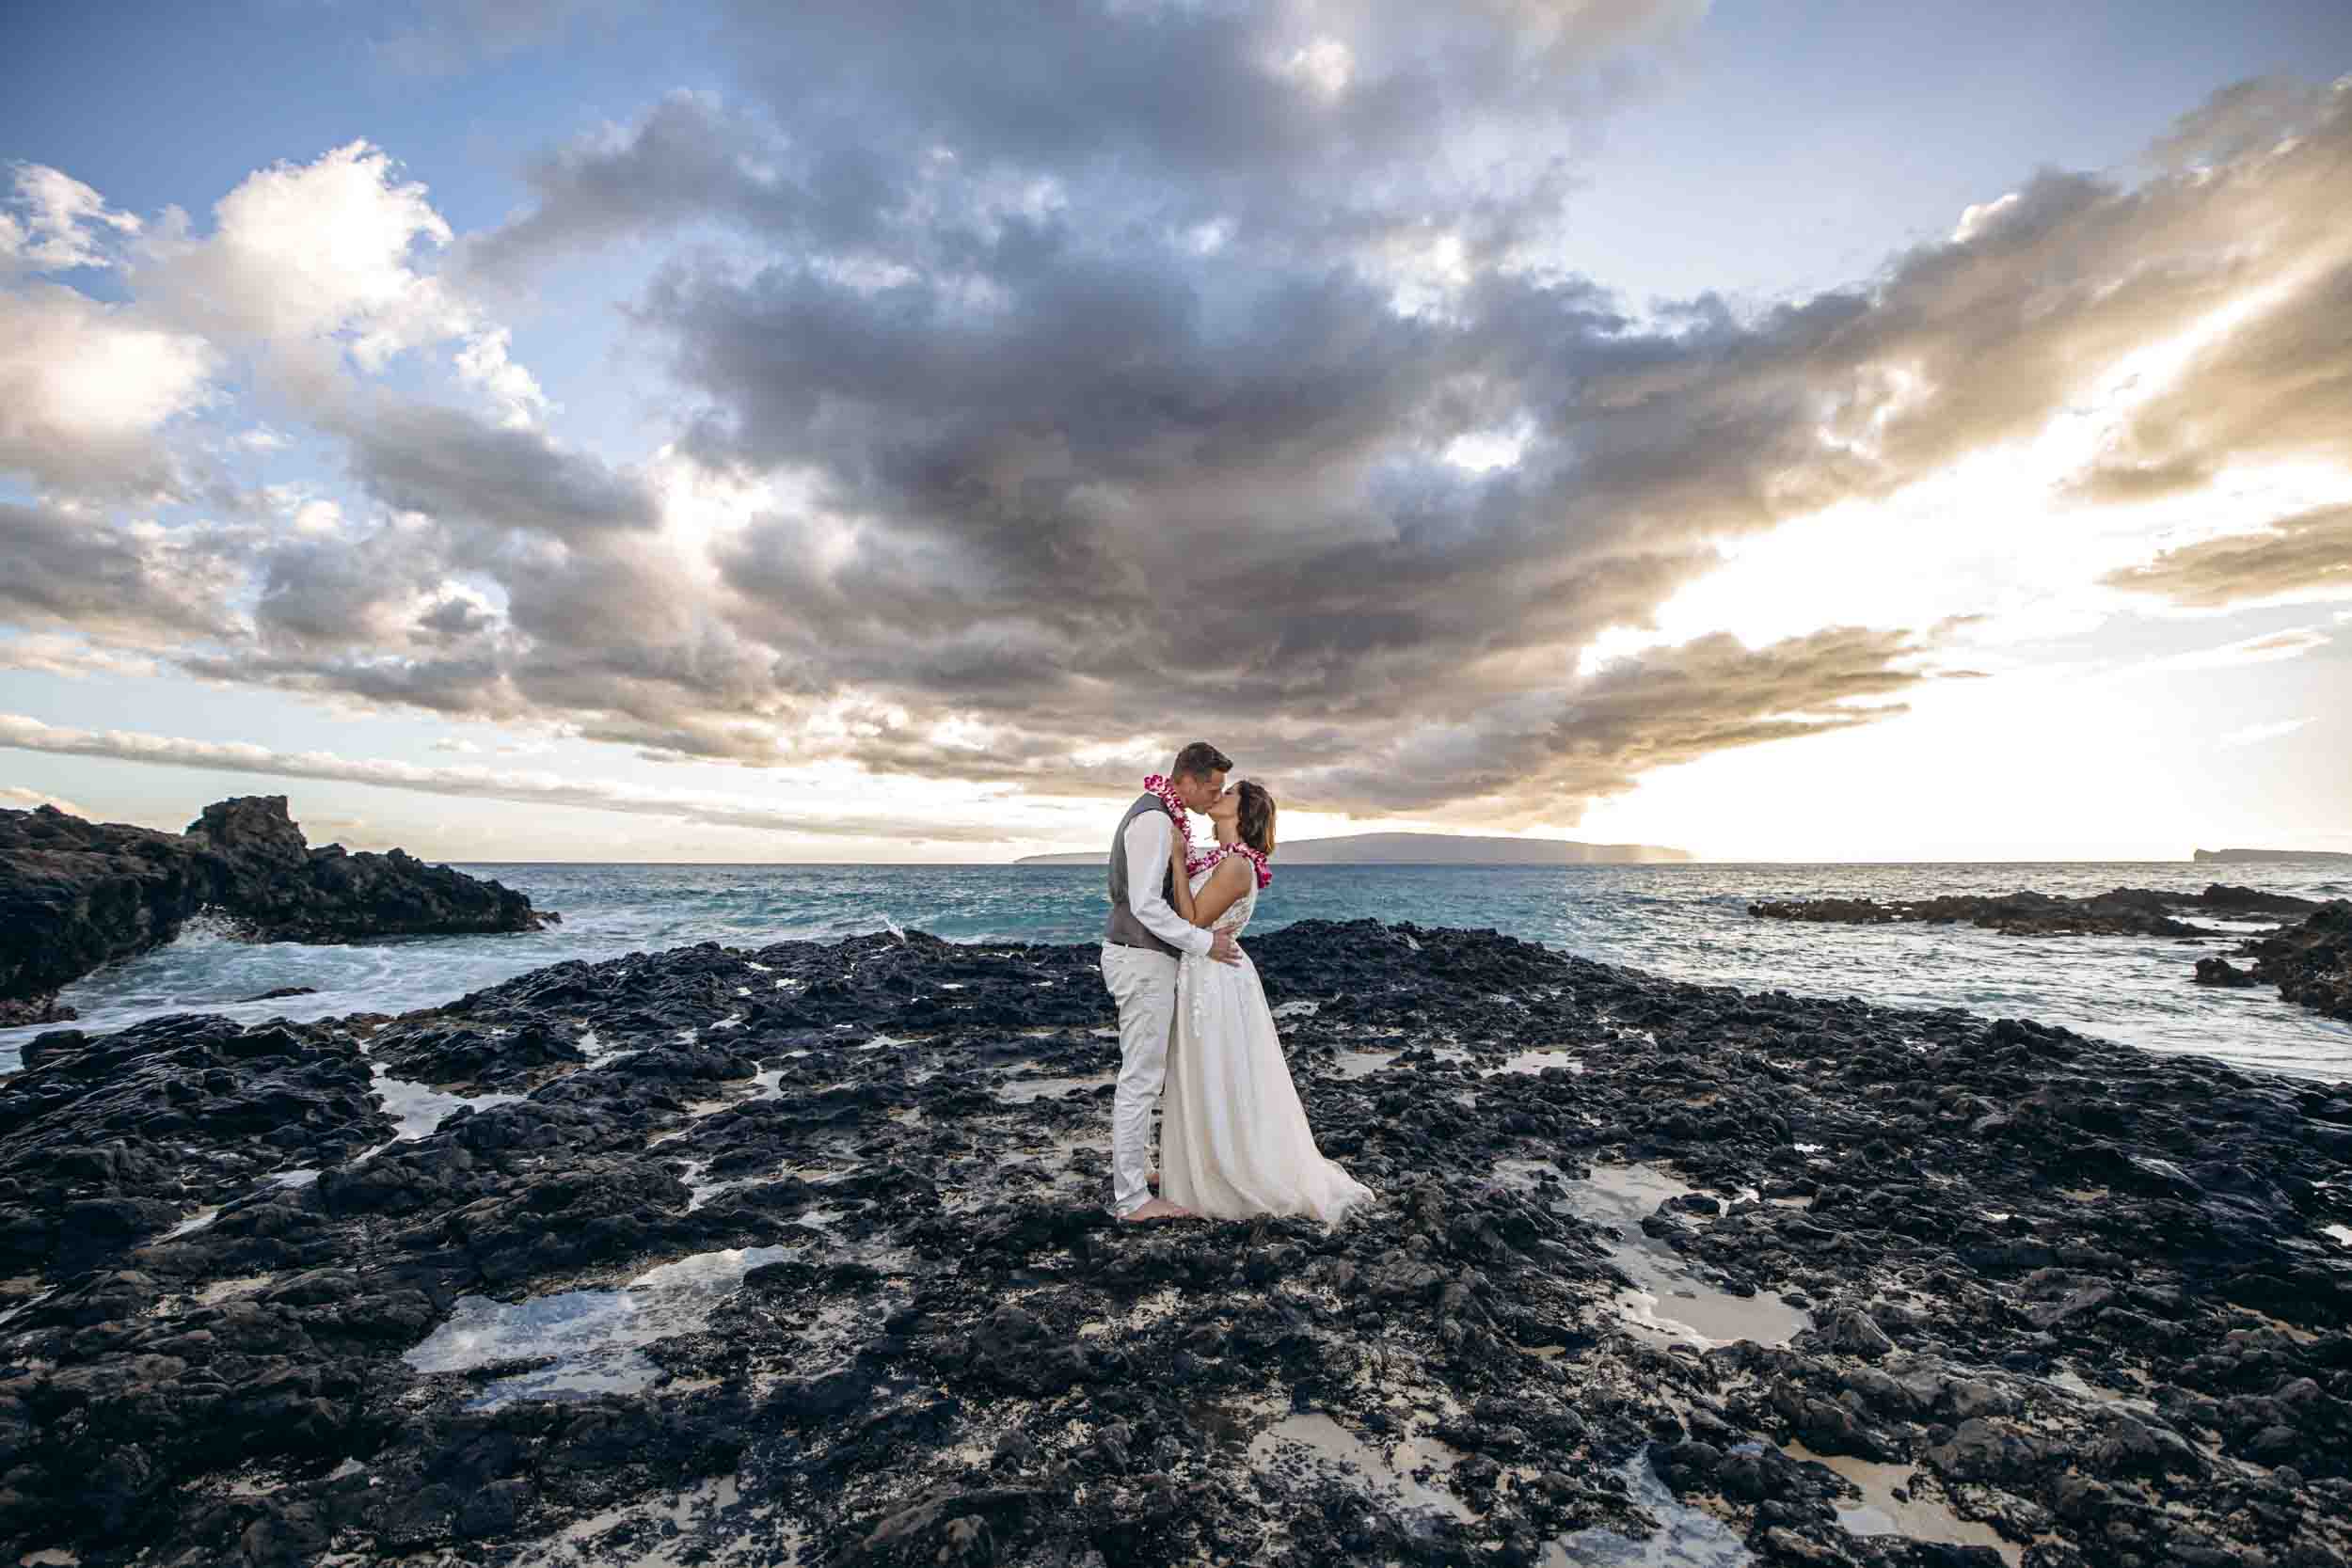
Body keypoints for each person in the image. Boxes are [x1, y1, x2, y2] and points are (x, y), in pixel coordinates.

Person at [1159, 780, 1375, 1225]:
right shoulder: (1223, 859)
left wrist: (1178, 860)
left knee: (1216, 1069)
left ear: (1244, 812)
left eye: (1230, 793)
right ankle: (1199, 1167)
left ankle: (1227, 1172)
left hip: (1215, 978)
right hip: (1202, 972)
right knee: (1204, 1069)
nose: (1219, 794)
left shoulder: (1238, 865)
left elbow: (1192, 920)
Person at [1099, 742, 1242, 1223]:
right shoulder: (1154, 822)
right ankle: (1132, 1199)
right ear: (1187, 780)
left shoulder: (1161, 817)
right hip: (1140, 959)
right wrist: (1203, 943)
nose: (1214, 797)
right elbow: (1145, 904)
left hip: (1142, 957)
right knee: (1141, 1077)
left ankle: (1138, 1170)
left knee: (1146, 1073)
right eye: (1212, 789)